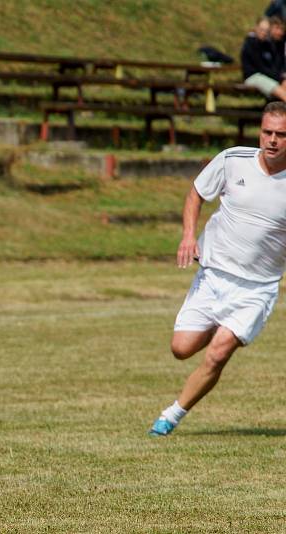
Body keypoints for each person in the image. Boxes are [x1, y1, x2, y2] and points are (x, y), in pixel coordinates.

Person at [148, 101, 286, 436]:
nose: (272, 140)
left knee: (218, 353)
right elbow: (196, 193)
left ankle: (171, 415)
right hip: (213, 275)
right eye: (267, 132)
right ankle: (218, 325)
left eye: (281, 135)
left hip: (257, 288)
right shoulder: (232, 159)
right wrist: (187, 237)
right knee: (180, 349)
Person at [241, 17, 286, 101]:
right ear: (256, 28)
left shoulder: (266, 44)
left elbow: (272, 66)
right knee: (282, 93)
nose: (264, 32)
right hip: (253, 76)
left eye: (266, 30)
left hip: (265, 76)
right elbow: (260, 67)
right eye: (261, 29)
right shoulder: (251, 43)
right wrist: (279, 78)